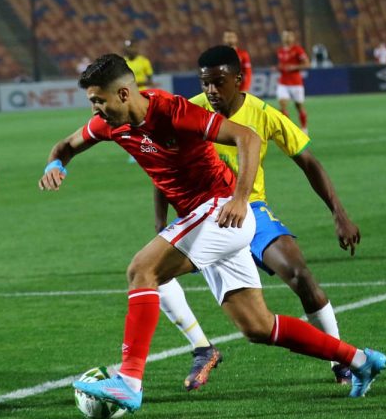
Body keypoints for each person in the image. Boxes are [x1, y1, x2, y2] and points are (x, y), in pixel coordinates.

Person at [39, 53, 386, 412]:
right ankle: (361, 360)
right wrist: (55, 164)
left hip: (222, 211)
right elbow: (66, 145)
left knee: (141, 270)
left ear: (124, 94)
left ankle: (129, 380)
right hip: (207, 221)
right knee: (258, 327)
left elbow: (248, 138)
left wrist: (239, 199)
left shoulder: (172, 111)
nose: (95, 109)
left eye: (99, 100)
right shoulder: (107, 125)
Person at [153, 45, 361, 391]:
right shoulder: (188, 111)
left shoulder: (264, 115)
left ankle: (342, 361)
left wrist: (339, 214)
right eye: (205, 84)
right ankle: (202, 348)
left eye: (219, 83)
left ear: (239, 79)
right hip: (204, 217)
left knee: (300, 275)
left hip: (251, 209)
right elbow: (164, 168)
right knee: (149, 273)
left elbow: (308, 162)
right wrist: (160, 225)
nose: (211, 91)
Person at [276, 30, 310, 133]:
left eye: (289, 36)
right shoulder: (280, 51)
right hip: (283, 83)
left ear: (293, 38)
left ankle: (304, 128)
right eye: (285, 36)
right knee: (282, 105)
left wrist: (294, 67)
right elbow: (282, 65)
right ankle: (290, 129)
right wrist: (279, 68)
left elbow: (307, 64)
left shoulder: (298, 50)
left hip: (296, 83)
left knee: (299, 106)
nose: (287, 38)